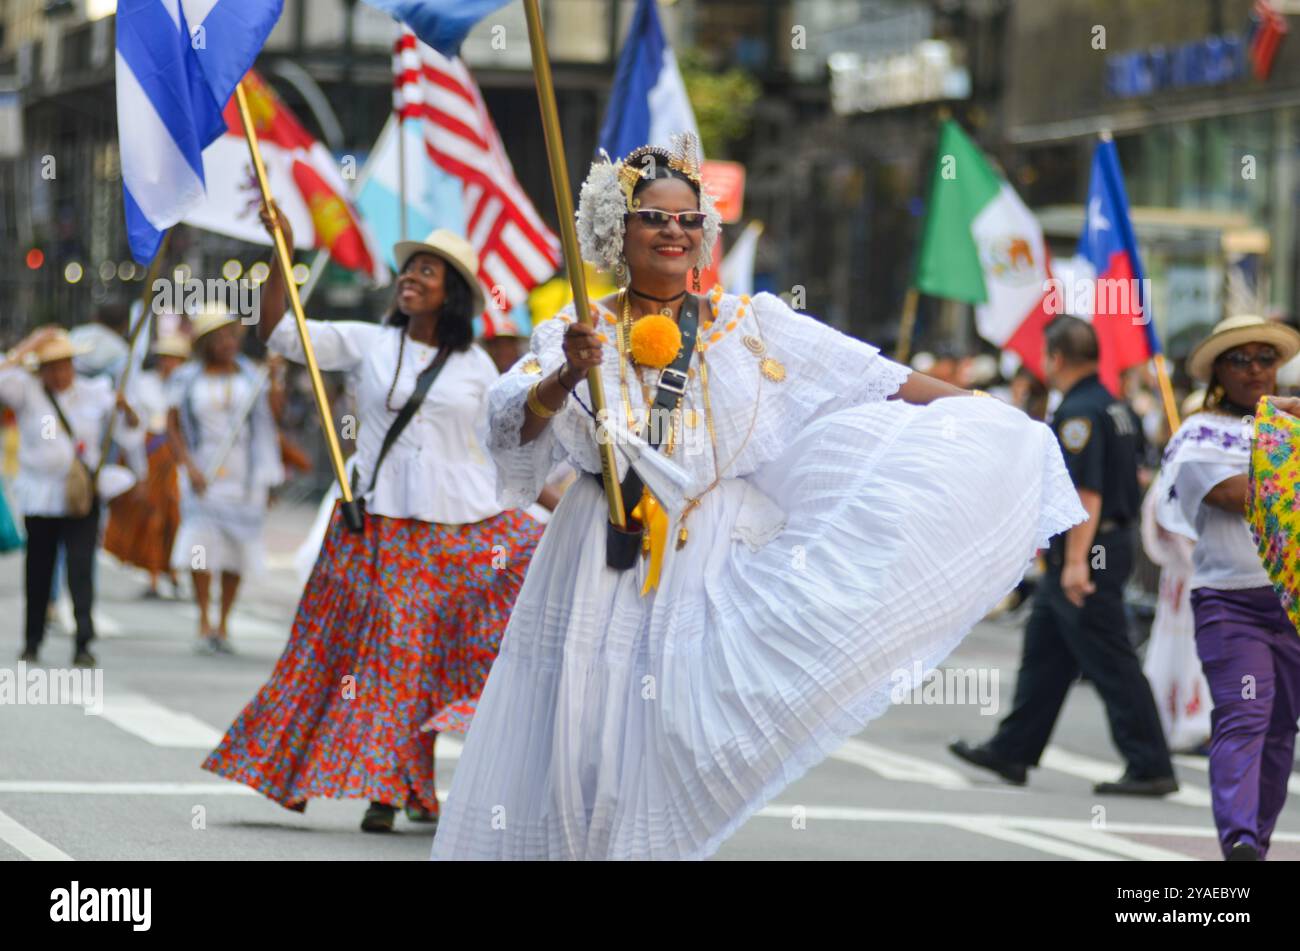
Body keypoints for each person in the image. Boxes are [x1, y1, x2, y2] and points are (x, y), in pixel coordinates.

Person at [428, 135, 1084, 861]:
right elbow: (509, 425)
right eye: (653, 217)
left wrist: (990, 414)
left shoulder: (753, 324)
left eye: (687, 219)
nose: (673, 231)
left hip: (704, 558)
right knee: (582, 737)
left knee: (672, 740)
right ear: (618, 230)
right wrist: (565, 375)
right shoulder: (576, 328)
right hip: (596, 554)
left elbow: (872, 377)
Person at [202, 206, 543, 834]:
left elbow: (503, 448)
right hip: (383, 527)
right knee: (395, 655)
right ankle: (392, 788)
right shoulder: (370, 342)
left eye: (427, 271)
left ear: (453, 292)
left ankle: (413, 785)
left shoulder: (476, 367)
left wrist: (565, 508)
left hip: (464, 532)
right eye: (409, 268)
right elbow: (279, 332)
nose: (410, 277)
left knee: (440, 659)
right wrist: (282, 254)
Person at [950, 315, 1178, 796]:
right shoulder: (1115, 406)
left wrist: (1076, 563)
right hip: (1101, 543)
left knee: (1110, 657)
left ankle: (1150, 763)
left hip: (1087, 548)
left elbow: (1085, 493)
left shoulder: (1078, 413)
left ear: (1054, 358)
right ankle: (1012, 751)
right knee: (1045, 652)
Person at [1157, 315, 1300, 860]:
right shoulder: (1198, 431)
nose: (1256, 369)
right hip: (1232, 604)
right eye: (1241, 359)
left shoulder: (1288, 426)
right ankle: (1238, 839)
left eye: (1267, 358)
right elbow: (1238, 494)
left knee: (1281, 730)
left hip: (1292, 606)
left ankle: (1256, 845)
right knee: (1245, 716)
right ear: (1219, 368)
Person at [0, 326, 136, 666]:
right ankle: (33, 639)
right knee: (39, 570)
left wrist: (127, 410)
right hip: (41, 496)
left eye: (65, 365)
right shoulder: (27, 391)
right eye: (51, 366)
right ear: (41, 370)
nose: (60, 373)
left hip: (80, 496)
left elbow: (130, 430)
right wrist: (28, 346)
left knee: (80, 569)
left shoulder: (94, 392)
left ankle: (83, 642)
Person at [167, 309, 283, 654]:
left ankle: (223, 623)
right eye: (220, 337)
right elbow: (172, 427)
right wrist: (189, 466)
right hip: (203, 475)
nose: (228, 343)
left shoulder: (252, 375)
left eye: (232, 336)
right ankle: (203, 618)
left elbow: (273, 417)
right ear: (206, 342)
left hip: (244, 478)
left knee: (235, 552)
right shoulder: (186, 378)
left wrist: (276, 379)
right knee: (200, 548)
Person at [104, 334, 190, 598]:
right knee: (153, 518)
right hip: (152, 456)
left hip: (179, 459)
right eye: (166, 358)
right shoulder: (144, 385)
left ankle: (173, 571)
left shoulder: (188, 385)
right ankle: (153, 575)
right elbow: (134, 429)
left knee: (176, 518)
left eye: (175, 358)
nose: (169, 363)